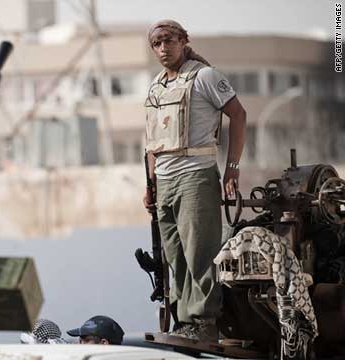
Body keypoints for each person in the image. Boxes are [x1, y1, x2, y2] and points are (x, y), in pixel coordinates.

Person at [142, 20, 247, 342]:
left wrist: (232, 167)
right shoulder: (156, 85)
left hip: (195, 176)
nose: (163, 48)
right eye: (157, 44)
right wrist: (150, 185)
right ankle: (186, 320)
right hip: (165, 180)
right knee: (175, 256)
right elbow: (151, 143)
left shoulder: (204, 76)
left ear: (183, 41)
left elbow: (239, 115)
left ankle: (204, 321)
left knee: (199, 252)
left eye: (169, 41)